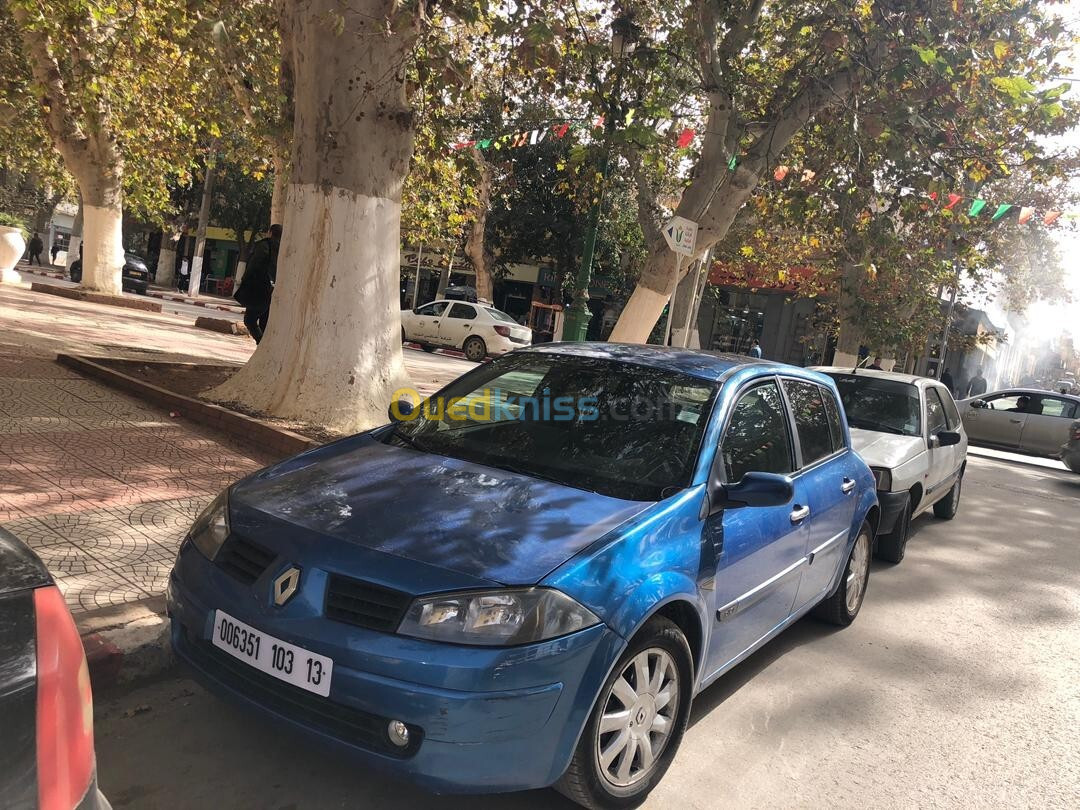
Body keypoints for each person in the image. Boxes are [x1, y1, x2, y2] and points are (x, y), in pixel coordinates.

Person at [235, 224, 281, 344]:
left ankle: (261, 345)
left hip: (260, 289)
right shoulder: (284, 249)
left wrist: (245, 280)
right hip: (275, 290)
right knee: (264, 322)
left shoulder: (265, 245)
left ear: (270, 232)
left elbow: (254, 265)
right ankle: (264, 346)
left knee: (249, 320)